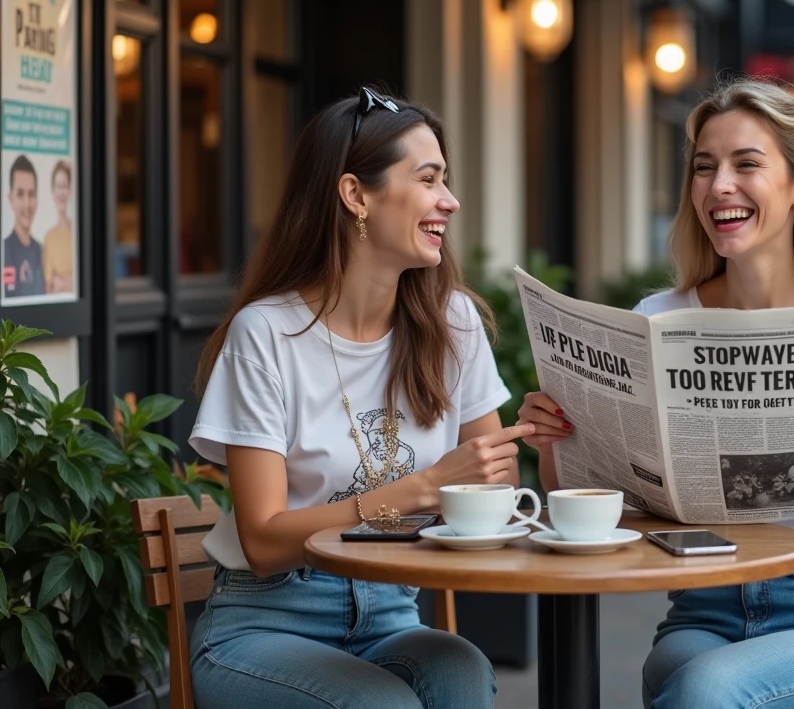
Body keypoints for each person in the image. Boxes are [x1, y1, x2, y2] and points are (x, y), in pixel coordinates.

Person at [519, 79, 794, 709]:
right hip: (704, 608)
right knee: (688, 679)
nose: (720, 185)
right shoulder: (656, 320)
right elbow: (574, 507)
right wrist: (554, 439)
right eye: (704, 168)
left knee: (702, 692)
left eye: (747, 164)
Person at [187, 87, 534, 709]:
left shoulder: (452, 323)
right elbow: (263, 541)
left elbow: (493, 493)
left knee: (462, 672)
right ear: (356, 195)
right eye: (428, 179)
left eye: (445, 180)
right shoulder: (266, 334)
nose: (449, 202)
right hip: (267, 620)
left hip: (390, 611)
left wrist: (520, 449)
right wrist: (423, 488)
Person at [3, 154, 44, 298]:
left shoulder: (43, 252)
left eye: (31, 194)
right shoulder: (3, 251)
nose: (27, 204)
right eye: (20, 194)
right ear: (10, 198)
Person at [43, 160, 74, 294]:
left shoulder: (77, 233)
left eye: (65, 186)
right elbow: (50, 286)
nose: (61, 192)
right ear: (53, 191)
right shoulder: (49, 238)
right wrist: (71, 281)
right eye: (58, 186)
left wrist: (66, 282)